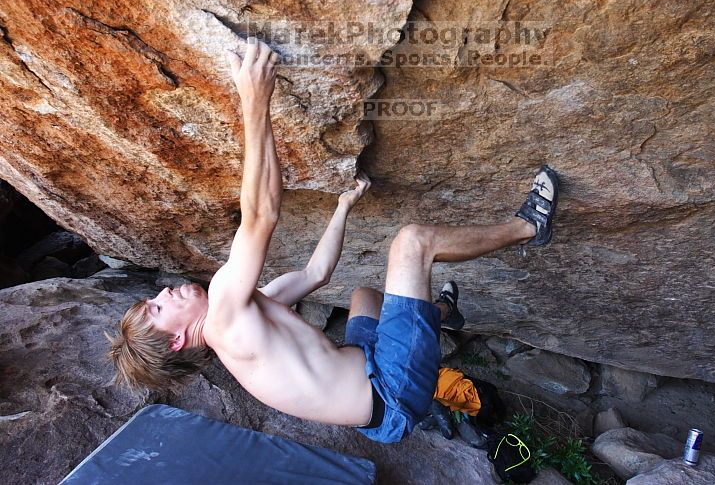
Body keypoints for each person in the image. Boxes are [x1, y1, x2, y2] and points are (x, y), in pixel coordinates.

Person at [108, 37, 559, 443]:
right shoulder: (225, 316)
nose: (164, 292)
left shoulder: (250, 312)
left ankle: (443, 312)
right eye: (158, 307)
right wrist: (254, 99)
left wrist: (343, 206)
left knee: (364, 296)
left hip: (369, 381)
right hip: (391, 390)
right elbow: (261, 214)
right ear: (175, 342)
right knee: (412, 244)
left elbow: (316, 274)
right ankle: (529, 227)